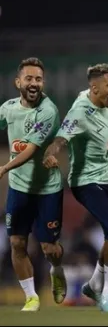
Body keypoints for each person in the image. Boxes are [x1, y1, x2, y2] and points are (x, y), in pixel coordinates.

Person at [43, 63, 108, 312]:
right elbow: (60, 138)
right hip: (86, 182)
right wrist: (50, 153)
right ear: (94, 88)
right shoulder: (80, 111)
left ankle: (92, 283)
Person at [0, 57, 66, 311]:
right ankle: (31, 297)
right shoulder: (8, 108)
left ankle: (57, 269)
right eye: (29, 78)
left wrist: (5, 167)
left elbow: (30, 149)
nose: (34, 83)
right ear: (18, 82)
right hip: (19, 188)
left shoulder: (48, 110)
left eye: (38, 79)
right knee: (17, 243)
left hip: (47, 190)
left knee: (49, 248)